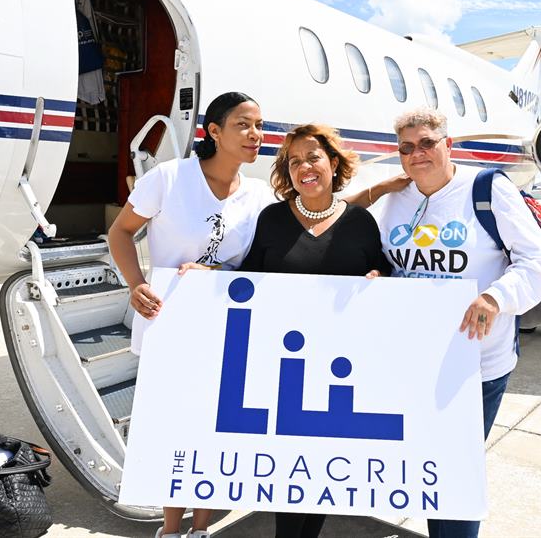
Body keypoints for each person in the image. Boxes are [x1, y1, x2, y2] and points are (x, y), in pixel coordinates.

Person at [372, 108, 541, 538]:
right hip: (414, 359)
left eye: (427, 143)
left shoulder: (487, 190)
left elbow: (538, 262)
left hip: (475, 363)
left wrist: (495, 296)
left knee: (454, 469)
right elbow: (388, 262)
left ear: (447, 145)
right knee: (424, 463)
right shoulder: (396, 200)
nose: (417, 154)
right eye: (407, 148)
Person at [108, 91, 275, 538]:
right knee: (172, 427)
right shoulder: (170, 177)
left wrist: (217, 269)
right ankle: (169, 528)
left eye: (259, 125)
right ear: (214, 131)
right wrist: (136, 283)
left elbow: (260, 260)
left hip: (228, 325)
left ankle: (201, 528)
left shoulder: (258, 194)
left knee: (214, 430)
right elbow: (121, 232)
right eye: (243, 124)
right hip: (170, 321)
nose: (255, 134)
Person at [238, 123, 392, 538]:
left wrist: (380, 278)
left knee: (322, 474)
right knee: (288, 474)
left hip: (339, 372)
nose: (304, 167)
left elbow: (384, 271)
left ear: (334, 163)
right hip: (284, 369)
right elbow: (247, 279)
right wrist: (204, 278)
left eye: (313, 157)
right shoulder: (271, 219)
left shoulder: (360, 222)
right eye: (293, 162)